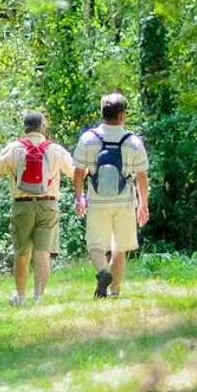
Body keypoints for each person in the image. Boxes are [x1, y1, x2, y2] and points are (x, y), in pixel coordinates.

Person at [0, 110, 73, 306]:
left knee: (22, 252)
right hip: (48, 204)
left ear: (25, 127)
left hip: (22, 206)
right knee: (43, 253)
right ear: (42, 127)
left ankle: (21, 297)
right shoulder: (55, 150)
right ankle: (38, 298)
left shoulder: (13, 149)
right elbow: (74, 172)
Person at [72, 92, 149, 299]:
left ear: (102, 113)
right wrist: (143, 205)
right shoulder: (133, 141)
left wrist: (79, 197)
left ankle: (103, 272)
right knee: (119, 247)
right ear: (122, 115)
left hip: (97, 201)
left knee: (95, 245)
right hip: (124, 201)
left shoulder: (88, 139)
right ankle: (114, 291)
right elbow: (142, 176)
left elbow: (78, 172)